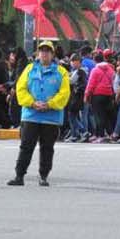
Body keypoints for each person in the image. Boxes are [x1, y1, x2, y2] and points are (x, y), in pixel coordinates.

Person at [7, 41, 71, 187]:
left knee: (47, 148)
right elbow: (21, 88)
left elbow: (64, 93)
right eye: (42, 50)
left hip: (51, 117)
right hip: (31, 115)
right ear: (37, 53)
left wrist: (50, 104)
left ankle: (43, 176)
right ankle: (19, 176)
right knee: (26, 146)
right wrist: (32, 103)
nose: (44, 53)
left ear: (52, 54)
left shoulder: (61, 72)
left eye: (48, 51)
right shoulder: (29, 69)